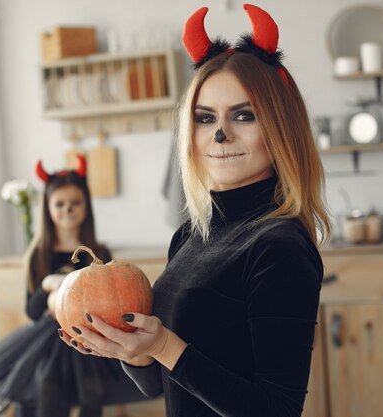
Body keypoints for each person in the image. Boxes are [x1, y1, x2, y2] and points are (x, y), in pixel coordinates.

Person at [59, 4, 332, 417]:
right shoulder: (192, 233)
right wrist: (132, 351)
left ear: (279, 127)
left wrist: (164, 344)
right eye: (205, 118)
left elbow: (276, 410)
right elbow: (158, 380)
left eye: (244, 115)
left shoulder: (279, 246)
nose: (221, 134)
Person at [0, 155, 147, 417]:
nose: (68, 210)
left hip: (87, 338)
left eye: (75, 203)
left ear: (86, 206)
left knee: (92, 393)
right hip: (50, 337)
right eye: (60, 204)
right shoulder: (38, 254)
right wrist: (46, 284)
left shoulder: (99, 252)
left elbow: (113, 297)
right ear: (48, 207)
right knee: (47, 392)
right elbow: (32, 312)